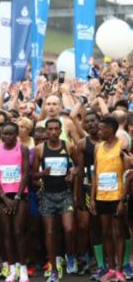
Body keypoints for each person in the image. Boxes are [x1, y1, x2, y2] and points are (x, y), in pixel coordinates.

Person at [32, 118, 77, 282]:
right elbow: (33, 175)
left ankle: (69, 255)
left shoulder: (68, 146)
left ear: (60, 130)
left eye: (56, 129)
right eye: (49, 129)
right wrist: (42, 175)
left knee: (69, 228)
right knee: (49, 232)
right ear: (46, 131)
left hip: (64, 193)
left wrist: (72, 173)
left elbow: (78, 166)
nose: (52, 132)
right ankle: (53, 269)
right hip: (47, 195)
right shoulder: (39, 149)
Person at [0, 122, 30, 282]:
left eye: (10, 134)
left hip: (20, 195)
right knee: (6, 232)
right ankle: (12, 268)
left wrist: (18, 197)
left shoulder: (23, 149)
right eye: (4, 134)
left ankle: (23, 269)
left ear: (16, 134)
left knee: (18, 231)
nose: (7, 137)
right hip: (3, 196)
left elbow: (26, 173)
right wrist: (5, 197)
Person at [91, 117, 128, 282]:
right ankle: (111, 268)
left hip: (117, 195)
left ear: (111, 130)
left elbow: (128, 175)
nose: (99, 132)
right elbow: (95, 174)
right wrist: (92, 198)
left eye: (102, 129)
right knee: (105, 232)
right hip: (101, 196)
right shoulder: (98, 147)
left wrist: (123, 200)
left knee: (118, 232)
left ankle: (120, 269)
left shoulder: (122, 146)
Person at [74, 111, 105, 278]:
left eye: (94, 121)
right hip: (87, 187)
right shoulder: (82, 144)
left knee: (105, 225)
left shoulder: (108, 142)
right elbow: (79, 171)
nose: (91, 124)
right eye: (88, 122)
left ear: (100, 122)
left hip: (107, 188)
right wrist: (77, 193)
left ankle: (105, 261)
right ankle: (90, 260)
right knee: (88, 225)